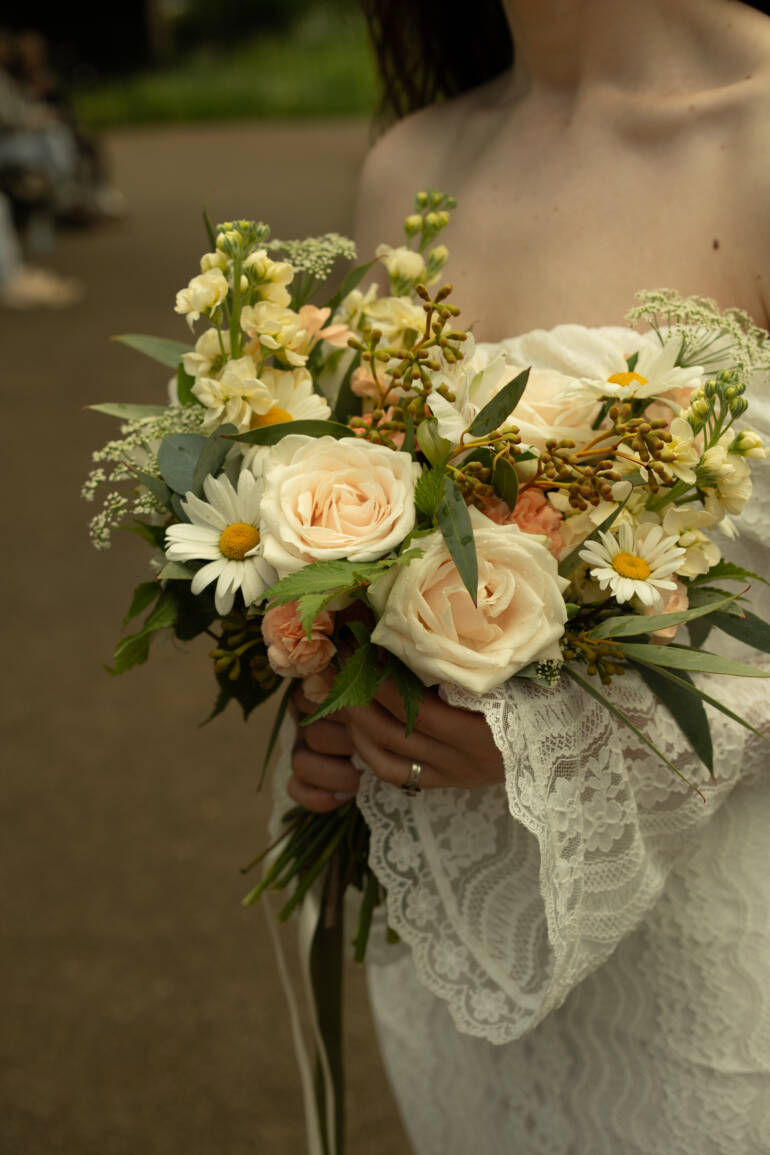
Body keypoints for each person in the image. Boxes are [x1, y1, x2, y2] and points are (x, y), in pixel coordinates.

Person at [287, 1, 770, 1151]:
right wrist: (334, 702)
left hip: (719, 983)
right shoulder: (411, 160)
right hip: (463, 988)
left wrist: (587, 739)